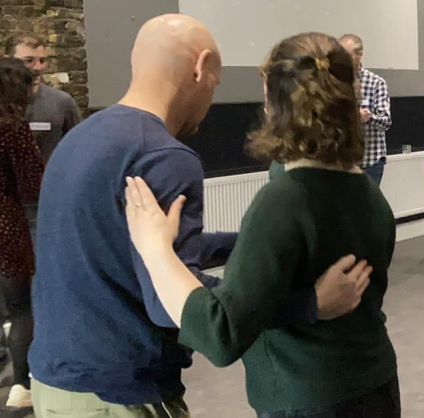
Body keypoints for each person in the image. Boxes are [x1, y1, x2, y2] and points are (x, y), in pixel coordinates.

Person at [29, 16, 359, 417]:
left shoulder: (80, 137)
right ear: (201, 67)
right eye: (217, 83)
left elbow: (129, 248)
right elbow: (171, 301)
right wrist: (308, 304)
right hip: (121, 396)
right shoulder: (164, 156)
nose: (212, 99)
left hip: (53, 385)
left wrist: (257, 245)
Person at [124, 32, 399, 418]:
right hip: (375, 387)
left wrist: (156, 251)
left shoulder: (283, 202)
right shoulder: (368, 194)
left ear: (272, 98)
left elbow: (220, 334)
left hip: (308, 399)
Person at [0, 57, 44, 409]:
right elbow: (33, 186)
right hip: (6, 228)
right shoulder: (13, 128)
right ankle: (20, 387)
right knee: (20, 309)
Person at [5, 34, 82, 163]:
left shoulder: (61, 103)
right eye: (29, 61)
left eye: (42, 61)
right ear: (8, 62)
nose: (38, 68)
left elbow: (79, 148)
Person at [339, 33, 391, 184]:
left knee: (366, 206)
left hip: (370, 162)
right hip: (341, 162)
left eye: (346, 55)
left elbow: (386, 121)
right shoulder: (333, 82)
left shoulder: (376, 83)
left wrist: (369, 118)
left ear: (359, 54)